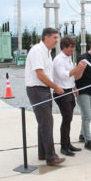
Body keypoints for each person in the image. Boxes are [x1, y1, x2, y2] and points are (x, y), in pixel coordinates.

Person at [25, 28, 65, 166]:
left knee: (44, 122)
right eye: (54, 37)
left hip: (43, 89)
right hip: (37, 90)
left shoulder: (47, 52)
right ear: (46, 37)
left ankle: (43, 153)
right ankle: (51, 157)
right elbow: (40, 74)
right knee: (47, 122)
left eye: (57, 37)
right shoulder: (37, 50)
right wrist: (56, 87)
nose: (56, 40)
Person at [52, 36, 87, 156]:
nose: (73, 49)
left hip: (69, 90)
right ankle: (64, 146)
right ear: (64, 47)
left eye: (73, 47)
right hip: (61, 92)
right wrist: (78, 69)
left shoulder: (68, 58)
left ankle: (68, 143)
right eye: (71, 47)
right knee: (66, 118)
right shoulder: (58, 60)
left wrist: (74, 86)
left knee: (69, 118)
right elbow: (63, 75)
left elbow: (70, 77)